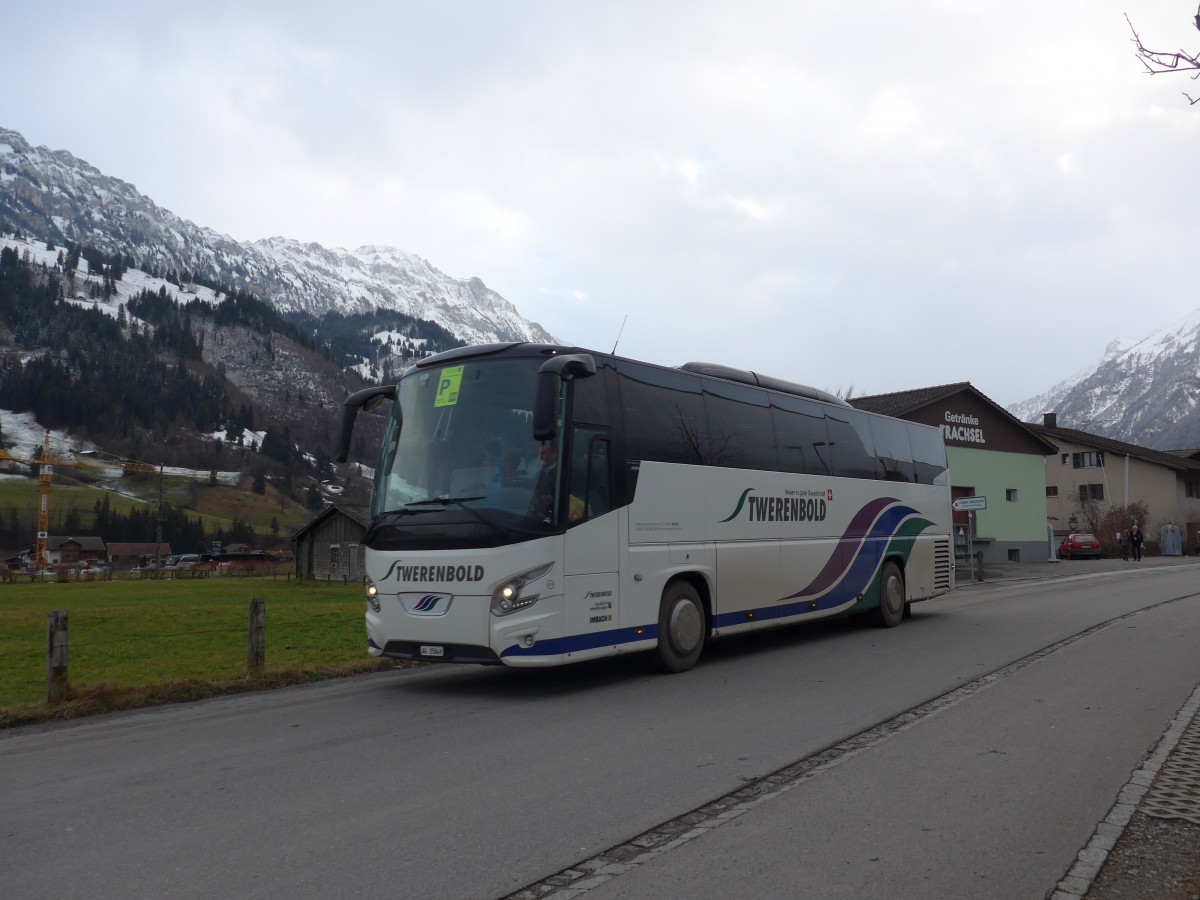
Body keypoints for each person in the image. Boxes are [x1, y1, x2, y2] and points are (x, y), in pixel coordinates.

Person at [528, 440, 558, 520]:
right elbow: (533, 490)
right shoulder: (540, 473)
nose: (539, 456)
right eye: (539, 453)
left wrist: (553, 499)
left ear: (553, 455)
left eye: (543, 453)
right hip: (535, 510)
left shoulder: (560, 473)